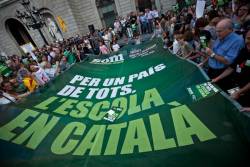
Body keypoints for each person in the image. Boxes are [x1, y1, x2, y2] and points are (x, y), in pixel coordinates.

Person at [212, 30, 250, 111]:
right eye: (248, 38)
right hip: (237, 87)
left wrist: (239, 92)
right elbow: (232, 68)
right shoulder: (243, 51)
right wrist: (217, 78)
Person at [205, 19, 244, 83]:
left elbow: (228, 61)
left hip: (221, 73)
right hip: (211, 69)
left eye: (220, 31)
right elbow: (214, 52)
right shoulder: (221, 36)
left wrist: (212, 54)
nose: (217, 33)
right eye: (216, 31)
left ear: (230, 30)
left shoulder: (237, 41)